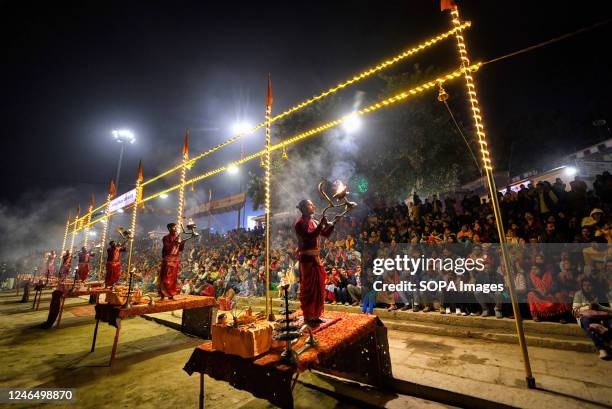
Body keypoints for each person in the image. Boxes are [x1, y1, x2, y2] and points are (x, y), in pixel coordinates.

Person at [294, 199, 334, 325]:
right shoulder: (299, 223)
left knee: (318, 288)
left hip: (316, 259)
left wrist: (332, 225)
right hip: (307, 260)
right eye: (310, 205)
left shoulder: (315, 221)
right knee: (308, 289)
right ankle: (308, 316)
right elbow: (309, 236)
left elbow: (325, 234)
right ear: (304, 208)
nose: (313, 206)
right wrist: (321, 225)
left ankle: (315, 315)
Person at [572, 278, 612, 360]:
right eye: (584, 285)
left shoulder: (602, 294)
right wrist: (588, 306)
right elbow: (575, 309)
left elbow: (610, 309)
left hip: (603, 316)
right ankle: (601, 349)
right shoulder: (579, 294)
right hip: (587, 317)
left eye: (589, 285)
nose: (586, 287)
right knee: (588, 324)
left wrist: (600, 307)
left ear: (594, 286)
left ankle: (603, 331)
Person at [159, 223, 186, 300]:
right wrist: (175, 241)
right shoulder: (166, 238)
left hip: (175, 260)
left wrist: (182, 242)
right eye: (174, 227)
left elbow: (180, 249)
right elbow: (167, 248)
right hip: (168, 260)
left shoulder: (177, 237)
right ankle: (163, 293)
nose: (175, 229)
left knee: (173, 278)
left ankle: (171, 294)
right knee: (166, 278)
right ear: (169, 229)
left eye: (176, 227)